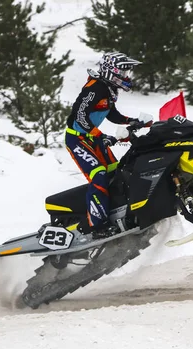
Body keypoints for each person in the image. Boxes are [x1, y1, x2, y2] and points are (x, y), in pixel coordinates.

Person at [65, 52, 151, 237]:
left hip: (93, 138)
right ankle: (96, 226)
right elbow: (80, 115)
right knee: (99, 175)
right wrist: (100, 135)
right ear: (112, 71)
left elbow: (112, 114)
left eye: (128, 73)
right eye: (124, 72)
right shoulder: (95, 88)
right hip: (78, 139)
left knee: (116, 172)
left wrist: (134, 121)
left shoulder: (110, 89)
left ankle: (115, 215)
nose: (127, 77)